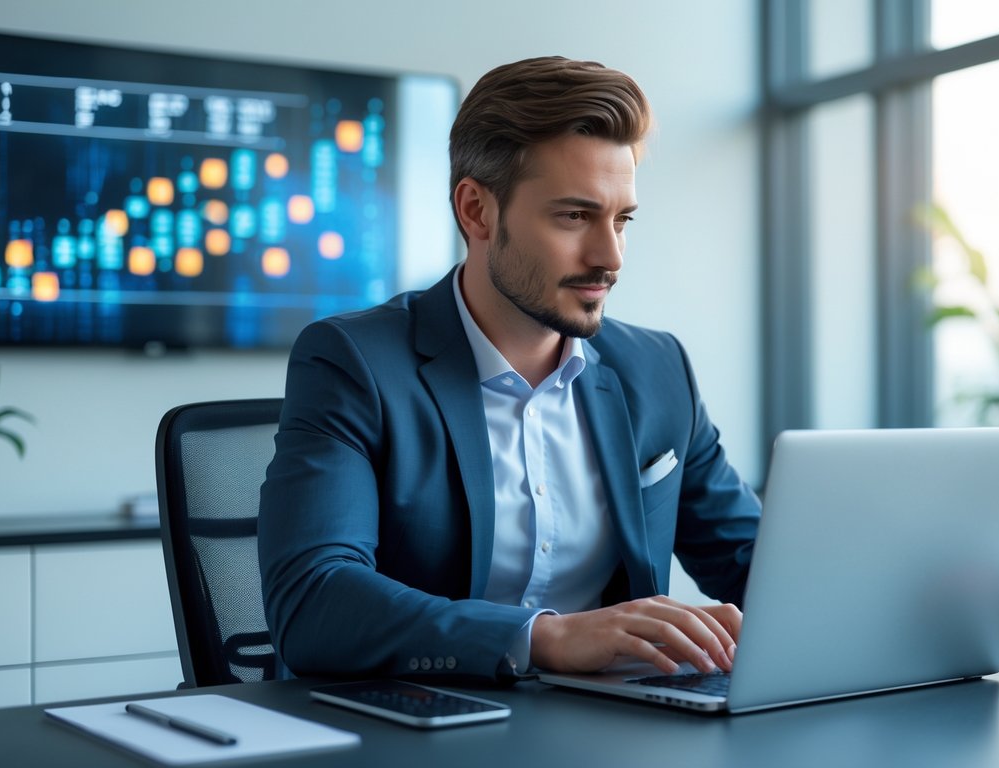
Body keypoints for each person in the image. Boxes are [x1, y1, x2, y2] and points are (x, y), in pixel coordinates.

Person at [258, 56, 761, 683]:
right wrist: (544, 639)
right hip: (416, 723)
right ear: (477, 211)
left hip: (612, 726)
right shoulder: (354, 361)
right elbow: (314, 602)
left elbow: (759, 565)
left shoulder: (657, 369)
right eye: (574, 216)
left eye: (622, 219)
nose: (610, 256)